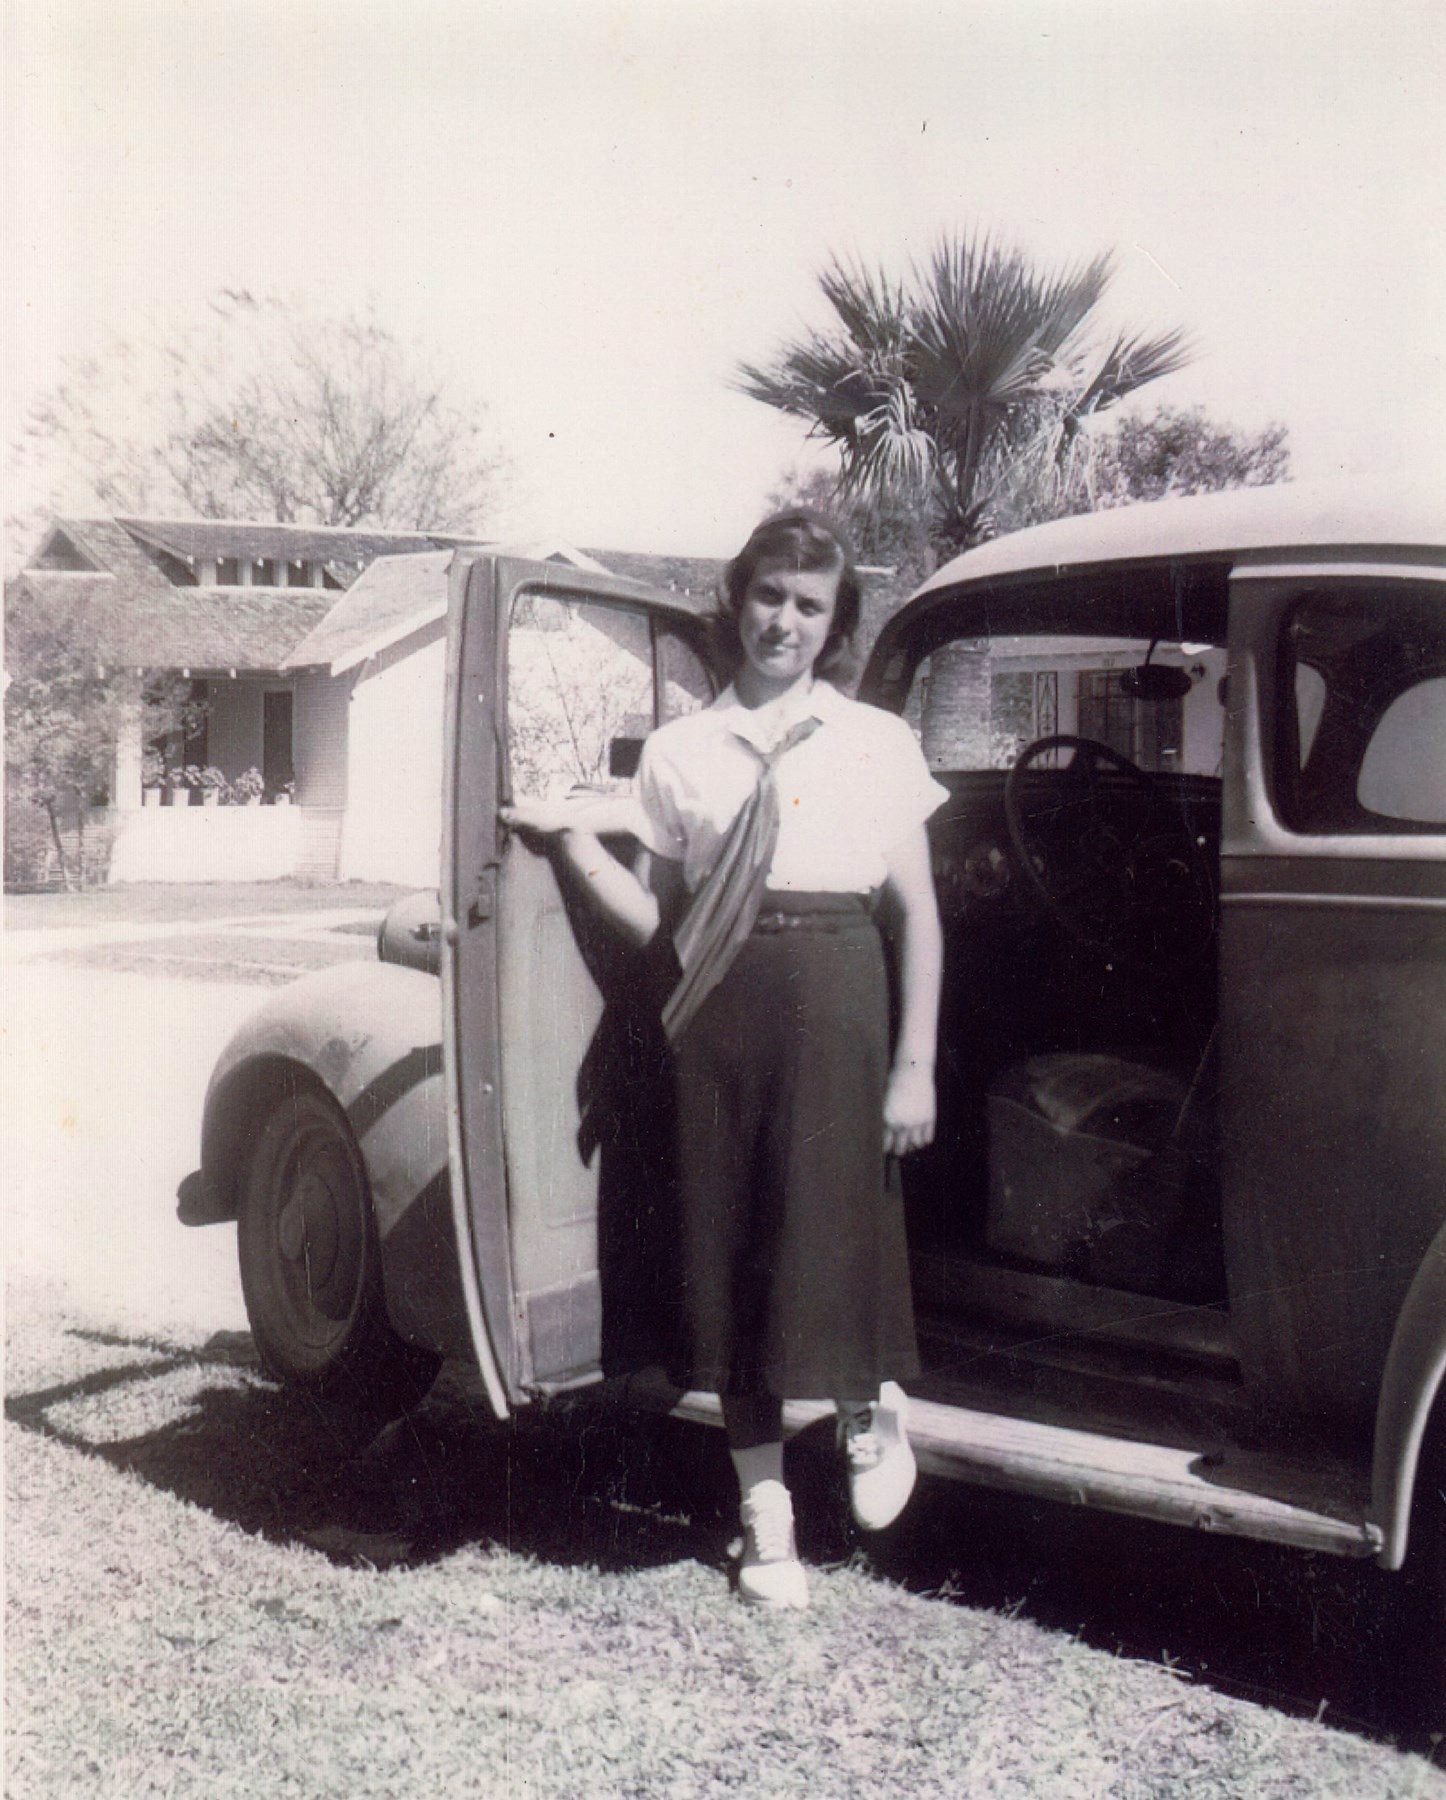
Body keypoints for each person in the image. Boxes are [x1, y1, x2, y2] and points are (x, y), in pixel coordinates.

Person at [502, 509, 946, 1609]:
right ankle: (767, 1522)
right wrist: (567, 839)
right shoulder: (680, 752)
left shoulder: (876, 743)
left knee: (834, 1229)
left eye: (809, 605)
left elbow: (922, 918)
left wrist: (914, 1064)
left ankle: (866, 1412)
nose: (783, 622)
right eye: (768, 596)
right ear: (736, 598)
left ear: (835, 624)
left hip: (840, 998)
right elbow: (662, 929)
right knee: (733, 1255)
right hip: (719, 1021)